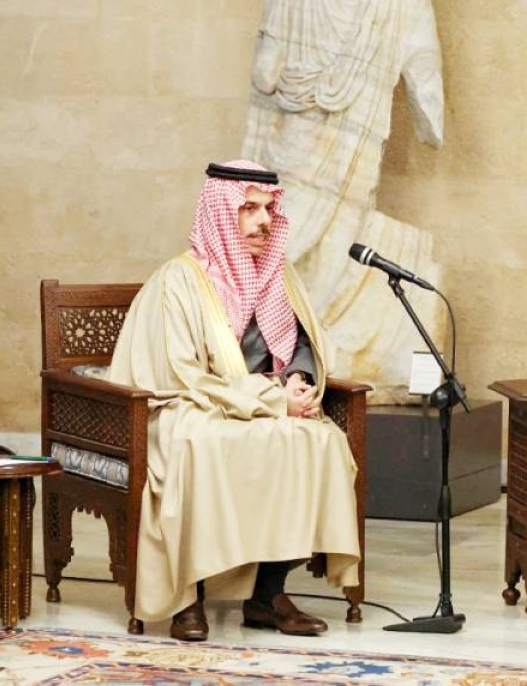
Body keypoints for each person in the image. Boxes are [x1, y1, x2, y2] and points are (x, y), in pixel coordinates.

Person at [108, 160, 361, 642]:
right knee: (202, 447)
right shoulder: (178, 281)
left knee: (319, 442)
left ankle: (268, 593)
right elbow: (182, 375)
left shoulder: (278, 277)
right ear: (221, 212)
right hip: (188, 405)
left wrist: (298, 382)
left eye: (268, 209)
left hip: (262, 404)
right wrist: (273, 399)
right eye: (249, 209)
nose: (264, 221)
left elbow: (299, 344)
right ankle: (188, 596)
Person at [242, 0, 447, 400]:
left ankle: (323, 340)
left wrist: (428, 99)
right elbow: (272, 40)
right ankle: (283, 345)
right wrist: (267, 65)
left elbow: (419, 41)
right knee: (287, 228)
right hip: (297, 119)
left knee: (344, 224)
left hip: (357, 122)